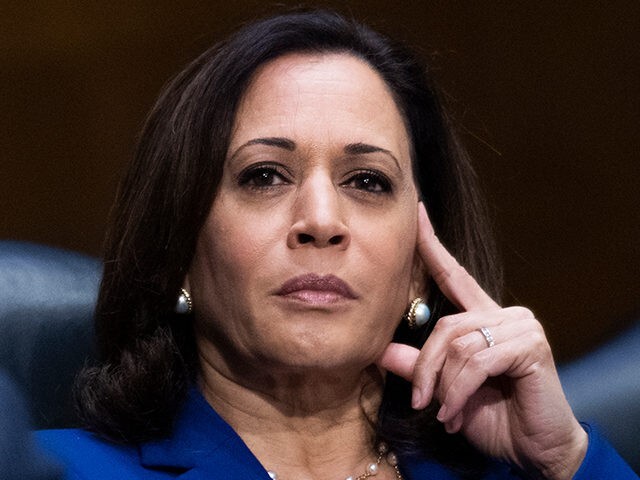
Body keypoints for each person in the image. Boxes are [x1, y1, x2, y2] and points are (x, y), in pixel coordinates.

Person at [36, 9, 637, 479]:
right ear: (179, 252)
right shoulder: (51, 471)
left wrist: (564, 459)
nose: (321, 221)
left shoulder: (534, 472)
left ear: (418, 267)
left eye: (367, 181)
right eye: (265, 176)